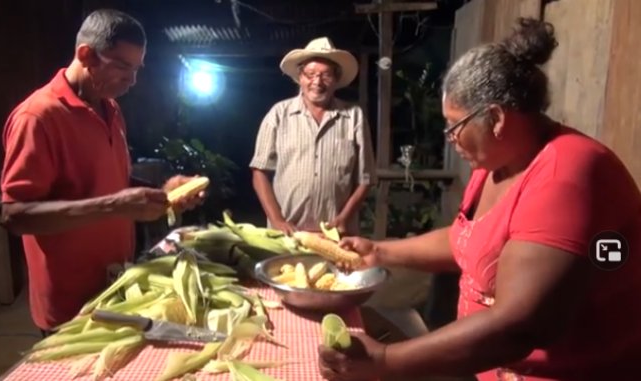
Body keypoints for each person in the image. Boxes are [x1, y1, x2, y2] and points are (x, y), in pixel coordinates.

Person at [318, 17, 641, 381]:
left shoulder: (568, 173)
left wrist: (387, 361)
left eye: (454, 126)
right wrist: (380, 252)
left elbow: (518, 326)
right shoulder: (494, 166)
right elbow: (465, 240)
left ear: (496, 118)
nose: (450, 138)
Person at [0, 9, 204, 334]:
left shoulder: (110, 107)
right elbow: (16, 214)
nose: (133, 80)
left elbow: (111, 183)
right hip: (68, 301)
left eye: (137, 69)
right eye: (123, 67)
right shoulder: (38, 117)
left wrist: (165, 193)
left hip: (115, 283)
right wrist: (114, 206)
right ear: (86, 55)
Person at [250, 37, 376, 236]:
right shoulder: (278, 114)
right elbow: (259, 172)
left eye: (326, 75)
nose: (317, 82)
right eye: (310, 74)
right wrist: (277, 220)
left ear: (336, 79)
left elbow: (365, 179)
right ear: (300, 77)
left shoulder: (354, 116)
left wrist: (344, 218)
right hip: (286, 235)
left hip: (338, 235)